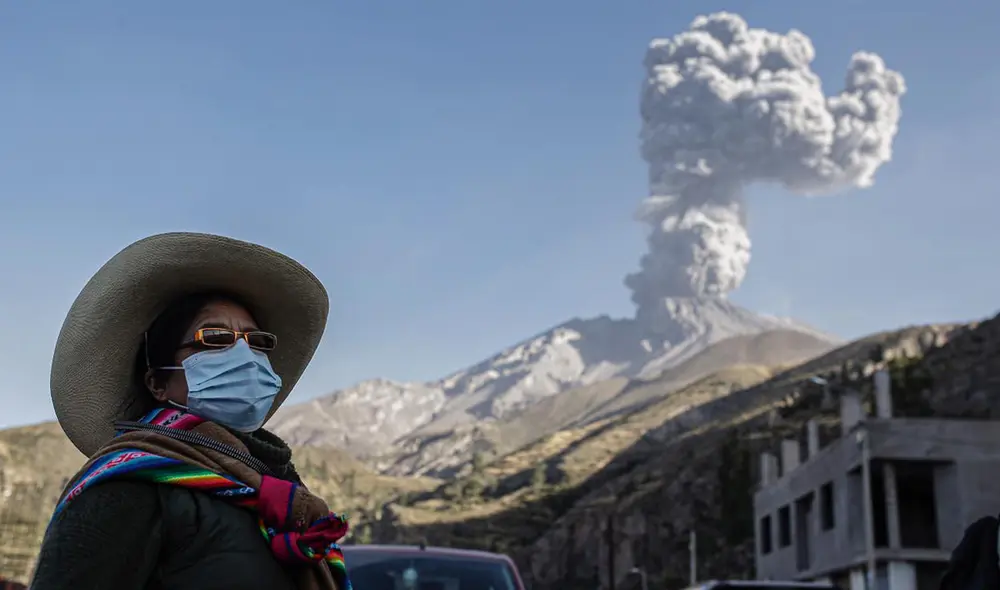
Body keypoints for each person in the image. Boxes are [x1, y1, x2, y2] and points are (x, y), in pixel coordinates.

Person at [30, 232, 351, 590]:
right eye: (214, 338)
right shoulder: (127, 489)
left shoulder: (276, 488)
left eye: (257, 342)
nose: (245, 356)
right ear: (157, 382)